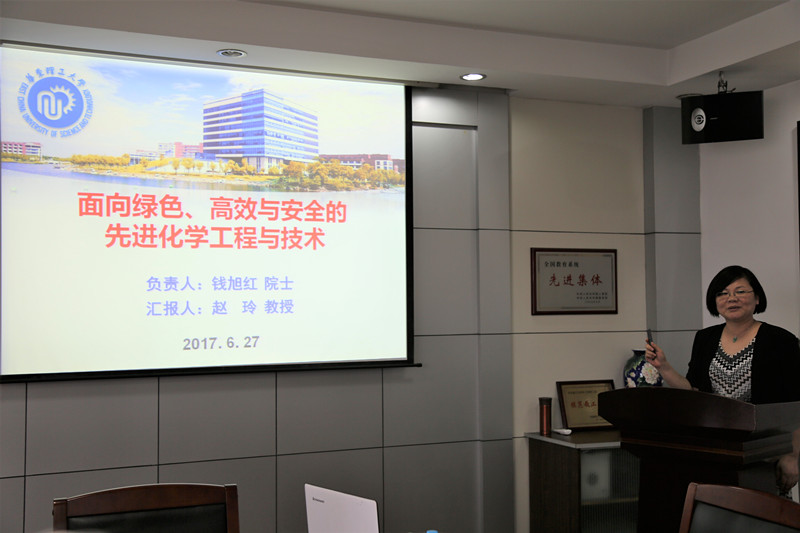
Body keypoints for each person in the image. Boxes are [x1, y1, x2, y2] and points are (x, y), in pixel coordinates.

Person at [645, 265, 800, 496]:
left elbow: (797, 404)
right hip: (715, 452)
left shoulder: (781, 340)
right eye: (723, 293)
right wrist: (664, 367)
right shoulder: (705, 338)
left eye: (740, 291)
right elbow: (694, 390)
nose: (731, 298)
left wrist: (794, 456)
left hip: (764, 454)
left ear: (757, 298)